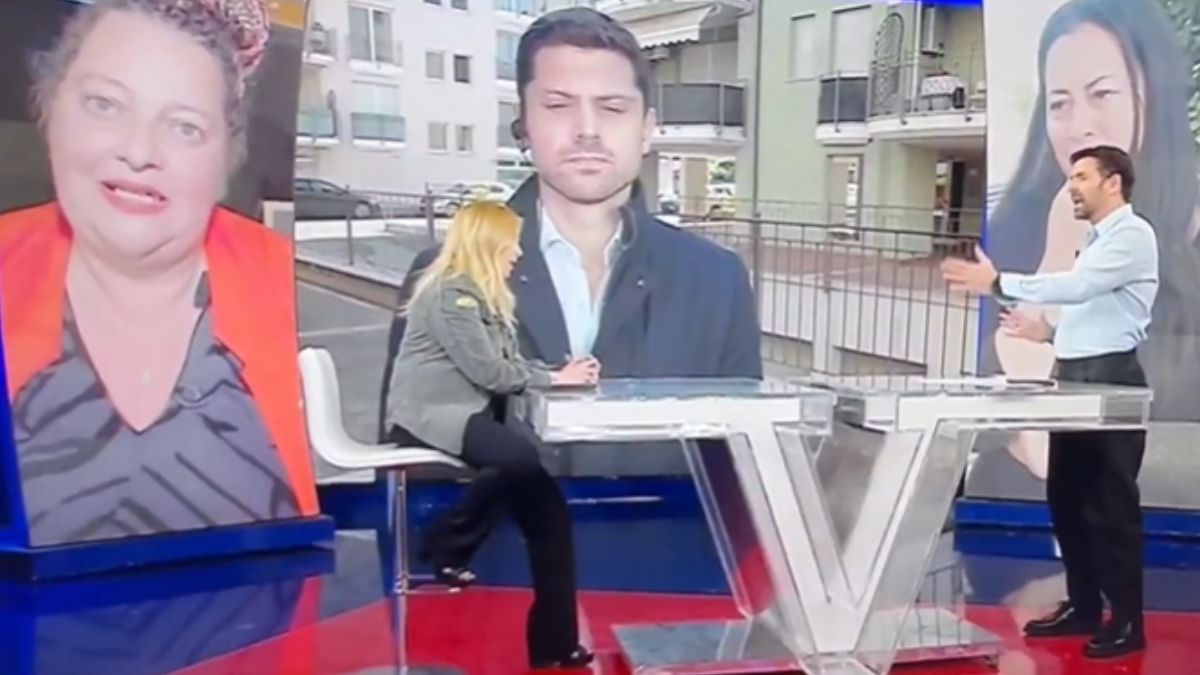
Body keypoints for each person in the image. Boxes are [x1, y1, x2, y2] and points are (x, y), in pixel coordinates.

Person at [380, 7, 762, 472]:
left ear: (646, 129)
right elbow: (412, 454)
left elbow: (745, 467)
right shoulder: (443, 274)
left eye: (612, 107)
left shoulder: (717, 280)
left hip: (670, 522)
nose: (587, 129)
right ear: (524, 126)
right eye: (558, 105)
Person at [0, 0, 316, 546]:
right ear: (49, 112)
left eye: (185, 127)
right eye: (104, 104)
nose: (139, 151)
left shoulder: (292, 281)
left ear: (227, 158)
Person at [943, 145, 1157, 659]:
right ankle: (1083, 606)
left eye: (1082, 176)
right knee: (1067, 498)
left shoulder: (1133, 235)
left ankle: (1128, 621)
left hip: (1111, 380)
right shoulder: (1095, 240)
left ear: (1113, 182)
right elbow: (1096, 311)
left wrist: (998, 282)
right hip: (1075, 378)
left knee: (1110, 507)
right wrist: (1049, 334)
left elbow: (1082, 286)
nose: (1071, 186)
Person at [979, 0, 1200, 489]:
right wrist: (1060, 252)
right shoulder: (1018, 224)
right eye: (1060, 103)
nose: (1081, 124)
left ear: (1150, 96)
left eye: (1102, 94)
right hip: (1037, 512)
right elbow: (1024, 437)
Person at [386, 201, 600, 670]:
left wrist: (558, 373)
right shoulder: (451, 294)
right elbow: (490, 372)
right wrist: (555, 379)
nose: (518, 253)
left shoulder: (486, 297)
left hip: (470, 416)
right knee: (517, 457)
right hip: (431, 416)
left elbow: (510, 365)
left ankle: (554, 644)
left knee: (551, 518)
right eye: (511, 244)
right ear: (488, 243)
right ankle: (448, 542)